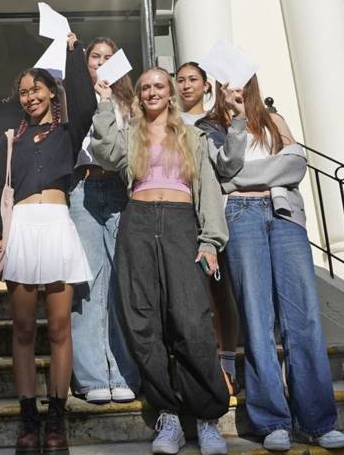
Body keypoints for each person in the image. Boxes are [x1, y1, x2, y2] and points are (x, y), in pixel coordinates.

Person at [201, 78, 344, 452]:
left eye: (238, 81)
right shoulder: (212, 128)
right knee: (256, 317)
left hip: (284, 217)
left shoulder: (273, 119)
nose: (231, 88)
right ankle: (272, 421)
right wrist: (236, 122)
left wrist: (243, 179)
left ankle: (317, 421)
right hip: (240, 216)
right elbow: (225, 169)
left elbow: (296, 165)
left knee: (303, 318)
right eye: (224, 84)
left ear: (250, 83)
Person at [91, 68, 229, 455]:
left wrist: (211, 242)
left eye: (158, 86)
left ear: (170, 93)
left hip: (182, 225)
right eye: (145, 87)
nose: (152, 92)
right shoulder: (131, 131)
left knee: (190, 318)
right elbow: (107, 153)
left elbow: (209, 191)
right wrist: (103, 104)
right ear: (139, 95)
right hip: (137, 221)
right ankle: (167, 412)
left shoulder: (192, 134)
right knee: (142, 319)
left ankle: (205, 416)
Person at [0, 33, 94, 454]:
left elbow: (84, 101)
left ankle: (56, 417)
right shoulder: (11, 138)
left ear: (52, 91)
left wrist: (74, 52)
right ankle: (28, 415)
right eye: (24, 92)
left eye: (37, 89)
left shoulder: (68, 131)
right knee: (24, 329)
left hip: (57, 223)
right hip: (24, 227)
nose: (30, 96)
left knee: (61, 327)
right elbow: (2, 186)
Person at [67, 38, 140, 406]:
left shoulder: (133, 104)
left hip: (121, 190)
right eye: (95, 57)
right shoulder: (77, 96)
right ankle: (92, 374)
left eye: (108, 57)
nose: (101, 62)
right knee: (88, 282)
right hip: (85, 187)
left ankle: (122, 369)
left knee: (120, 282)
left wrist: (111, 101)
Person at [174, 62, 240, 394]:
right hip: (180, 215)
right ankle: (197, 365)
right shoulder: (166, 123)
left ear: (206, 86)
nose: (186, 86)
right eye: (181, 80)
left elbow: (229, 165)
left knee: (219, 289)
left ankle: (227, 363)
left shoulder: (217, 124)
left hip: (214, 213)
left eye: (193, 80)